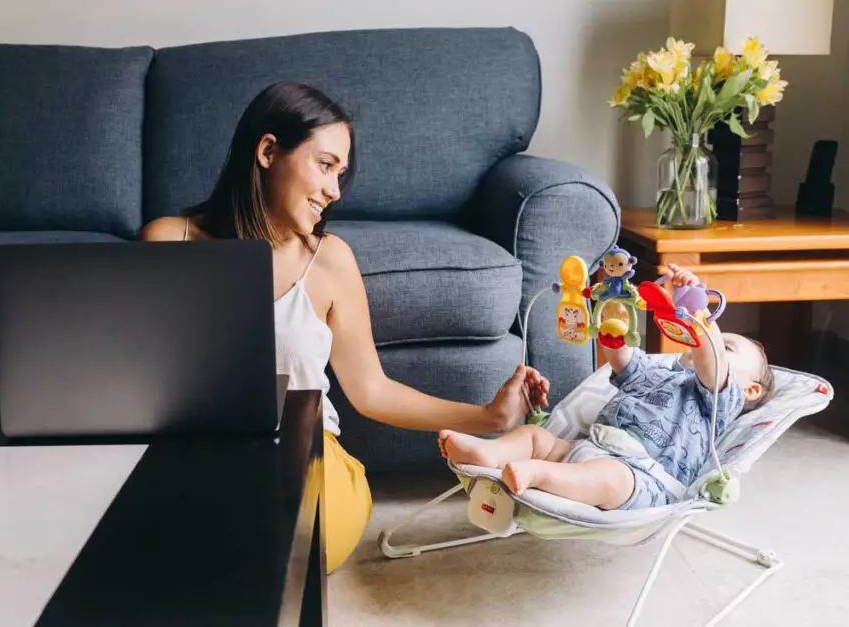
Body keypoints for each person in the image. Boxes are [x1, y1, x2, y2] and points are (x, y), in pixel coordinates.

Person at [140, 81, 549, 574]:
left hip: (306, 455)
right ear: (269, 151)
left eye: (341, 174)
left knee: (285, 552)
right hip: (203, 451)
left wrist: (489, 418)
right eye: (326, 165)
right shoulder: (169, 241)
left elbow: (372, 391)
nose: (335, 191)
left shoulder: (329, 261)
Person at [439, 264, 775, 511]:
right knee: (536, 438)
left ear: (751, 391)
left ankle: (538, 476)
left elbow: (710, 357)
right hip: (588, 445)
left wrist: (696, 307)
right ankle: (489, 455)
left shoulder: (718, 401)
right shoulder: (662, 373)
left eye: (729, 347)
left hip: (642, 474)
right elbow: (621, 361)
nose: (708, 341)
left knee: (610, 481)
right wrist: (613, 327)